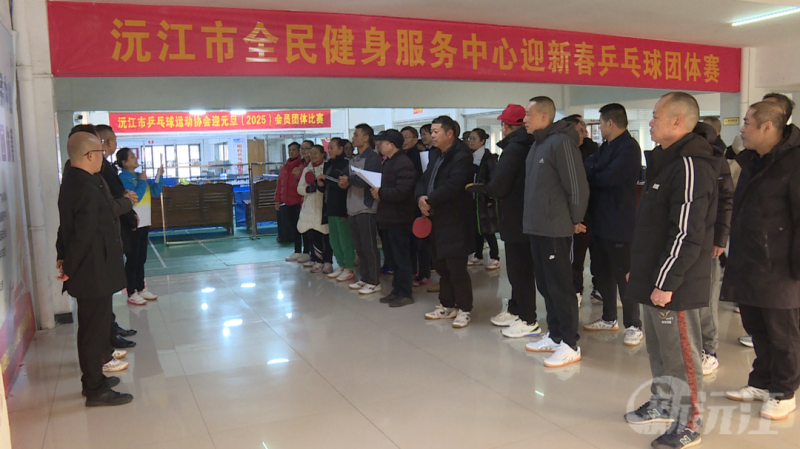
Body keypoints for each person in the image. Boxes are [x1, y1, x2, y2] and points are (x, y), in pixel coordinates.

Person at [623, 92, 719, 449]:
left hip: (674, 283)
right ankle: (663, 402)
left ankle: (690, 421)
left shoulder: (691, 165)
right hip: (654, 277)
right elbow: (653, 227)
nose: (650, 122)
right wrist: (639, 270)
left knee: (681, 356)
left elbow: (686, 233)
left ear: (678, 120)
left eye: (655, 115)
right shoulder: (666, 161)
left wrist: (665, 281)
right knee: (660, 351)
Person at [722, 100, 800, 421]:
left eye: (747, 123)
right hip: (750, 260)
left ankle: (784, 392)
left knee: (783, 334)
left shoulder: (794, 161)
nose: (742, 129)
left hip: (781, 267)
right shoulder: (755, 159)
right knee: (757, 328)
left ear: (767, 127)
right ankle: (762, 382)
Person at [57, 131, 134, 407]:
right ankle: (95, 389)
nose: (103, 157)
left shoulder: (77, 180)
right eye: (101, 153)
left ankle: (93, 380)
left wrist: (63, 256)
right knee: (93, 332)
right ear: (90, 155)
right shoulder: (84, 186)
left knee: (94, 330)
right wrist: (69, 266)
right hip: (92, 271)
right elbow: (82, 234)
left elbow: (66, 227)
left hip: (93, 269)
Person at [522, 97, 589, 368]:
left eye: (529, 114)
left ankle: (570, 344)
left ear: (544, 116)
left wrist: (574, 219)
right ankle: (555, 334)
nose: (525, 119)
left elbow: (577, 186)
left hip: (555, 228)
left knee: (561, 287)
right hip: (537, 226)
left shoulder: (561, 143)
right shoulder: (537, 144)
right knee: (545, 284)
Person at [581, 104, 644, 346]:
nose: (599, 127)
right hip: (599, 221)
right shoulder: (605, 147)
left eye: (600, 123)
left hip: (619, 222)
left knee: (623, 275)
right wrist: (597, 170)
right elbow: (588, 167)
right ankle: (609, 317)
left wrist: (595, 172)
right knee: (602, 273)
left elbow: (610, 178)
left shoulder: (629, 147)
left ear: (610, 123)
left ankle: (634, 324)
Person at [484, 104, 540, 337]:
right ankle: (516, 309)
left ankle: (528, 319)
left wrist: (485, 189)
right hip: (525, 217)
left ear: (505, 126)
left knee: (520, 271)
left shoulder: (514, 149)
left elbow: (499, 185)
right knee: (521, 269)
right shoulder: (531, 145)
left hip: (516, 218)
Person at [418, 116, 475, 328]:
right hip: (435, 217)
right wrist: (420, 197)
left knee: (456, 266)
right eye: (431, 132)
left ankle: (464, 309)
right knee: (441, 264)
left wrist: (430, 200)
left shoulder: (462, 155)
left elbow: (454, 185)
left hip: (455, 218)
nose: (431, 135)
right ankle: (447, 304)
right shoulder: (435, 153)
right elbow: (424, 179)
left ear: (449, 133)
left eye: (435, 132)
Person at [691, 122, 734, 376]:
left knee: (707, 299)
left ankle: (710, 349)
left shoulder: (716, 160)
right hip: (686, 240)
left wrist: (720, 238)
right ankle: (693, 345)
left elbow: (726, 199)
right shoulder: (675, 158)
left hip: (708, 241)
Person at [94, 125, 139, 348]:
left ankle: (111, 329)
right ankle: (107, 337)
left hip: (114, 229)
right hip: (106, 234)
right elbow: (113, 201)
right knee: (101, 291)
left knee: (106, 290)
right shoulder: (95, 172)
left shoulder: (104, 167)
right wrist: (128, 209)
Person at [372, 129, 418, 307]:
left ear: (391, 145)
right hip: (388, 217)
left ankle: (405, 293)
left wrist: (381, 192)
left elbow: (402, 192)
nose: (379, 145)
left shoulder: (404, 163)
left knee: (402, 258)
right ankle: (396, 290)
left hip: (400, 218)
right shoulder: (389, 162)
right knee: (392, 258)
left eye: (382, 143)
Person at [115, 147, 164, 305]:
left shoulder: (138, 176)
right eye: (132, 157)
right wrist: (142, 181)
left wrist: (159, 176)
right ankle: (131, 292)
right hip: (132, 223)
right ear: (124, 162)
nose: (135, 158)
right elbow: (135, 197)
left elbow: (155, 191)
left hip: (144, 222)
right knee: (133, 258)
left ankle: (141, 288)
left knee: (141, 257)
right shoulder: (123, 178)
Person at [340, 124, 383, 295]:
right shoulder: (354, 159)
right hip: (352, 206)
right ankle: (364, 278)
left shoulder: (372, 157)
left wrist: (350, 180)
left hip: (367, 207)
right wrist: (344, 180)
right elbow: (346, 175)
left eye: (356, 135)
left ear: (366, 137)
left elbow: (368, 179)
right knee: (359, 246)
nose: (353, 138)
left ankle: (374, 281)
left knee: (369, 246)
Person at [563, 114, 600, 308]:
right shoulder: (565, 150)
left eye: (584, 127)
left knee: (597, 253)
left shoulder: (593, 149)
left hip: (592, 209)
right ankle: (575, 290)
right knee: (575, 255)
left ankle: (599, 288)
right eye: (579, 129)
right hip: (575, 212)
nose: (584, 131)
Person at [318, 138, 356, 282]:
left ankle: (349, 267)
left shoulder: (346, 163)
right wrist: (320, 183)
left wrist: (326, 178)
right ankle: (341, 265)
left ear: (341, 149)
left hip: (342, 206)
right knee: (334, 240)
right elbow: (326, 184)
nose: (330, 150)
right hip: (330, 206)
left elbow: (343, 184)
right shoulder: (329, 164)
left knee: (344, 239)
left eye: (332, 147)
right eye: (329, 147)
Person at [401, 126, 432, 287]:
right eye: (402, 137)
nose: (404, 140)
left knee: (420, 240)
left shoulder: (420, 156)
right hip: (406, 204)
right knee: (409, 241)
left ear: (415, 139)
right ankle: (413, 271)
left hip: (418, 203)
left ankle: (424, 273)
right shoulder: (402, 156)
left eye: (407, 137)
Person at [467, 128, 500, 270]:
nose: (471, 141)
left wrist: (490, 197)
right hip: (474, 198)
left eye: (474, 139)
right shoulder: (470, 157)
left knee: (488, 229)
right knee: (476, 228)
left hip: (484, 198)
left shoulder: (488, 158)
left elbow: (493, 178)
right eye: (470, 138)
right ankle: (478, 254)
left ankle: (495, 257)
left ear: (482, 141)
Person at [298, 145, 332, 273]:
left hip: (323, 207)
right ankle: (317, 261)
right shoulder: (307, 169)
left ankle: (328, 262)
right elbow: (299, 188)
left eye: (316, 153)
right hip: (310, 208)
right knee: (313, 236)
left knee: (326, 236)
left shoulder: (327, 167)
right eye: (311, 153)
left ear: (323, 154)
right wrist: (308, 189)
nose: (313, 156)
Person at [276, 142, 306, 261]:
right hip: (288, 202)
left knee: (303, 228)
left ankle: (306, 251)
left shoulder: (302, 166)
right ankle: (297, 250)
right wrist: (277, 200)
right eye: (290, 150)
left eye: (294, 150)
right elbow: (280, 184)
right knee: (294, 227)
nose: (291, 152)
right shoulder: (285, 168)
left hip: (299, 202)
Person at [297, 140, 314, 265]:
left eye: (306, 148)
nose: (303, 151)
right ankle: (306, 251)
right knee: (303, 228)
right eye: (302, 148)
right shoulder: (301, 164)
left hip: (312, 201)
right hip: (300, 200)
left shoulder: (313, 166)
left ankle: (315, 255)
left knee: (314, 230)